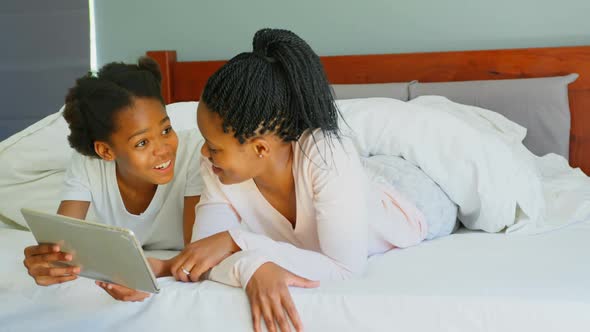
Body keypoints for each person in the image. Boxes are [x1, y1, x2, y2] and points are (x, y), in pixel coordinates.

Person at [167, 28, 455, 332]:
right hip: (345, 180)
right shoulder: (217, 165)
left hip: (411, 197)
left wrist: (236, 242)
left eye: (213, 147)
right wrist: (253, 266)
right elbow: (203, 254)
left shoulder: (327, 154)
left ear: (260, 148)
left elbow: (345, 271)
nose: (203, 152)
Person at [22, 57, 203, 302]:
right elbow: (62, 243)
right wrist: (48, 263)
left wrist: (157, 269)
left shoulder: (195, 153)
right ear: (106, 151)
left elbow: (198, 251)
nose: (163, 150)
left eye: (166, 130)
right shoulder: (88, 164)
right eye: (142, 143)